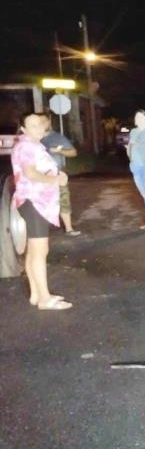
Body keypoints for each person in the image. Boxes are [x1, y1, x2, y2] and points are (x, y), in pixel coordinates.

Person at [11, 112, 72, 310]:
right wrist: (55, 180)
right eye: (32, 125)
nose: (38, 127)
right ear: (24, 129)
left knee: (33, 251)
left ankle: (36, 295)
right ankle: (44, 298)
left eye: (39, 124)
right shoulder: (27, 146)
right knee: (40, 251)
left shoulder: (29, 144)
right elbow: (30, 173)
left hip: (32, 202)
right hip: (34, 201)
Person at [41, 114, 80, 236]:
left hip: (57, 175)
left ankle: (69, 228)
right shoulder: (34, 138)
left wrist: (59, 151)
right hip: (39, 176)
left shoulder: (57, 137)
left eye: (44, 121)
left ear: (49, 122)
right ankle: (39, 231)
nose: (42, 123)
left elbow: (73, 152)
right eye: (39, 121)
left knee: (63, 200)